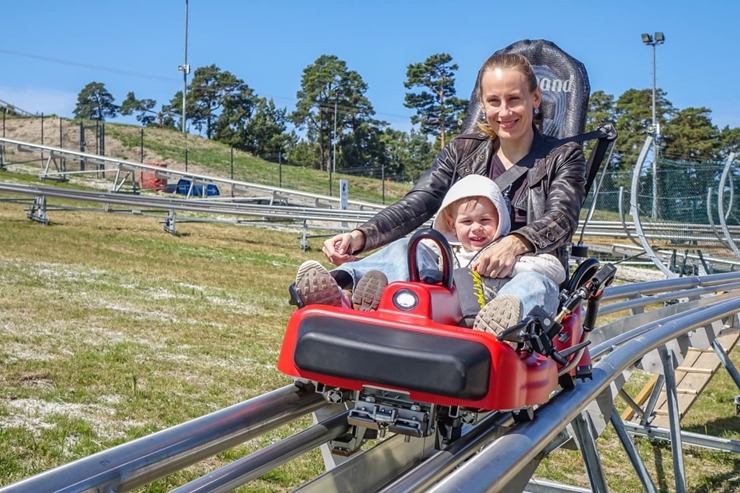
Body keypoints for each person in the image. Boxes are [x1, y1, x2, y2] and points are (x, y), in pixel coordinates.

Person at [295, 51, 586, 334]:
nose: (504, 112)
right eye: (494, 101)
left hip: (522, 271)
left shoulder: (563, 155)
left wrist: (514, 243)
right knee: (413, 247)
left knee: (535, 285)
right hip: (457, 270)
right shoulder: (462, 151)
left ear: (535, 98)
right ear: (482, 105)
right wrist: (360, 236)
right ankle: (343, 291)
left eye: (514, 99)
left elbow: (562, 216)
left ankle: (498, 324)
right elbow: (419, 202)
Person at [430, 174, 566, 328]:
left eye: (485, 220)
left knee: (535, 281)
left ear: (500, 219)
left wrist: (511, 266)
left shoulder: (510, 252)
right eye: (467, 221)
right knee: (405, 247)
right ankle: (404, 314)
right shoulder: (443, 253)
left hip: (502, 320)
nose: (476, 228)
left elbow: (557, 271)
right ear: (452, 225)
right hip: (450, 320)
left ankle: (498, 329)